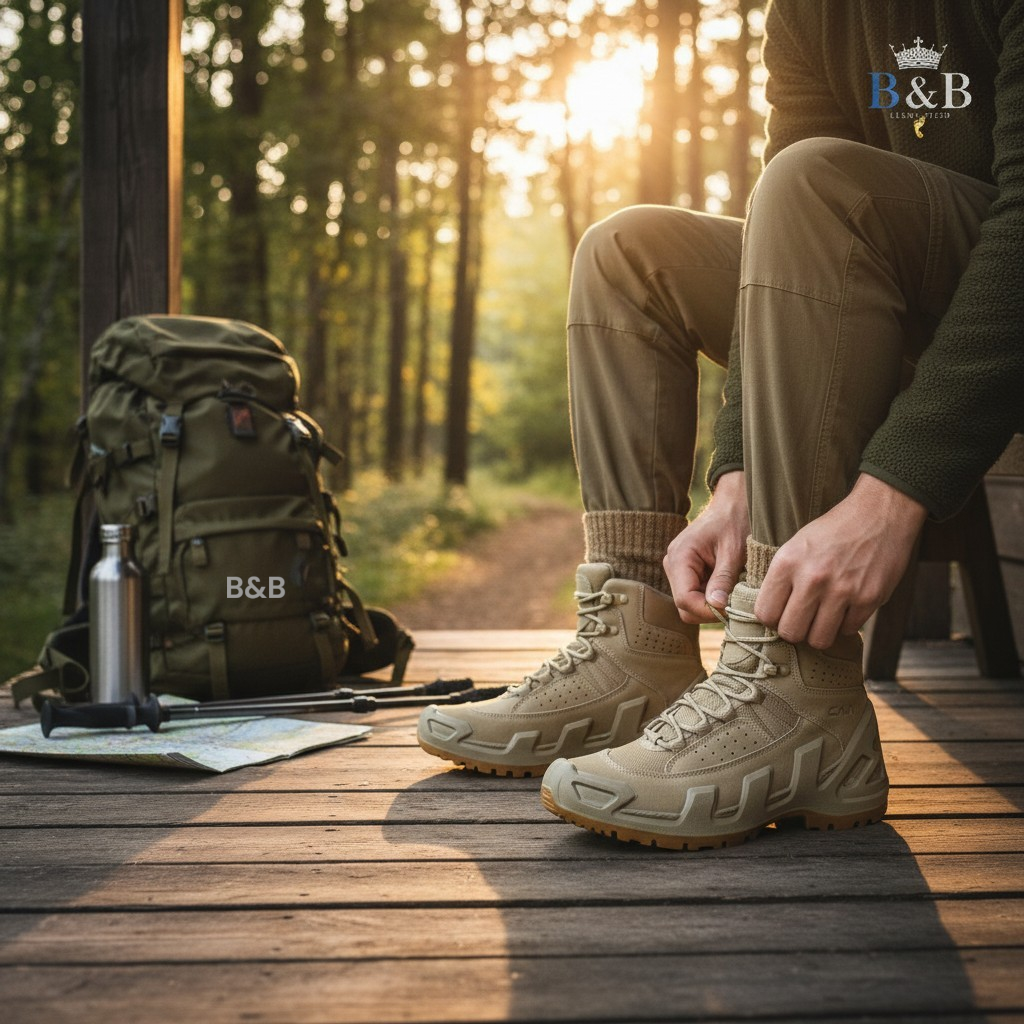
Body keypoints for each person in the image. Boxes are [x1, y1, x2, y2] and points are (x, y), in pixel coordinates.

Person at [418, 0, 1024, 849]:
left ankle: (796, 685)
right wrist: (736, 469)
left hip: (1002, 292)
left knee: (821, 181)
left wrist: (896, 491)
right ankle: (636, 648)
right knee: (629, 252)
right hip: (896, 296)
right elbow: (780, 250)